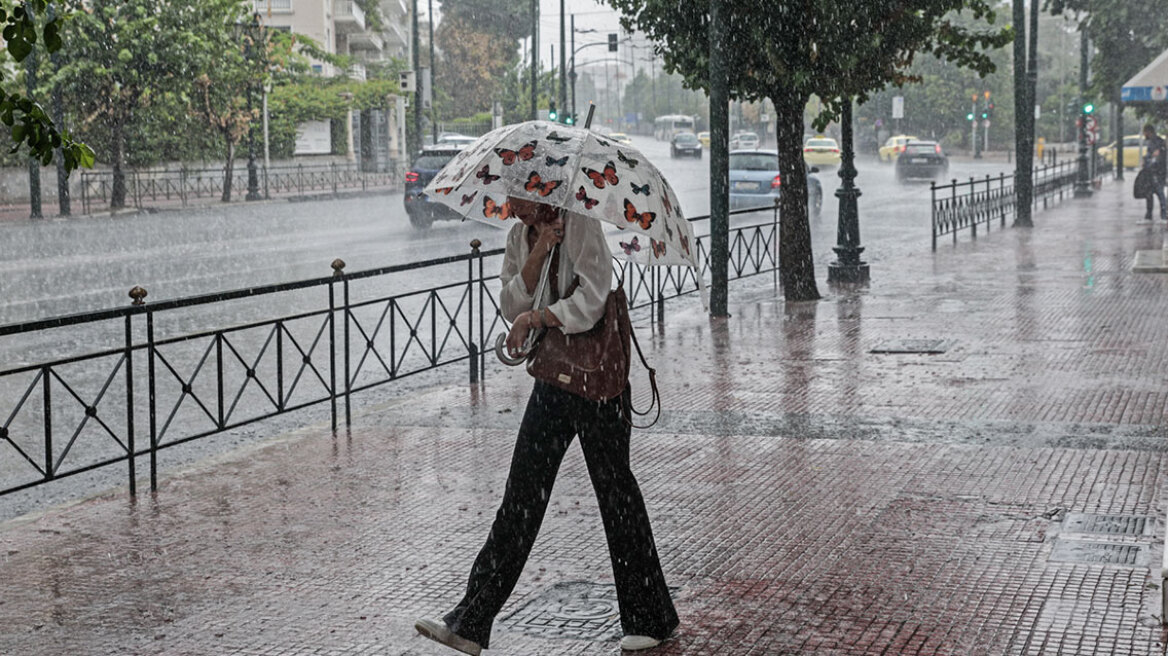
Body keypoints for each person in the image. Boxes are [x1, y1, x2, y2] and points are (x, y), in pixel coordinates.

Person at [414, 195, 679, 655]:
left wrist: (539, 315)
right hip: (554, 378)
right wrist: (538, 252)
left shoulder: (580, 223)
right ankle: (471, 622)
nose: (511, 205)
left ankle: (650, 617)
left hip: (598, 382)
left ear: (541, 190)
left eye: (518, 197)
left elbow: (594, 296)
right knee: (521, 498)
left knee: (616, 494)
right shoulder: (521, 235)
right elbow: (511, 301)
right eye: (508, 196)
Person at [1143, 123, 1167, 221]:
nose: (1144, 134)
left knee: (1157, 192)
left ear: (1148, 132)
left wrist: (1148, 161)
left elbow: (1156, 156)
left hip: (1155, 171)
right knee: (1152, 193)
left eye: (1144, 132)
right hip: (1157, 171)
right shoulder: (1157, 141)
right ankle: (1154, 214)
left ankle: (1162, 214)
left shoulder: (1155, 142)